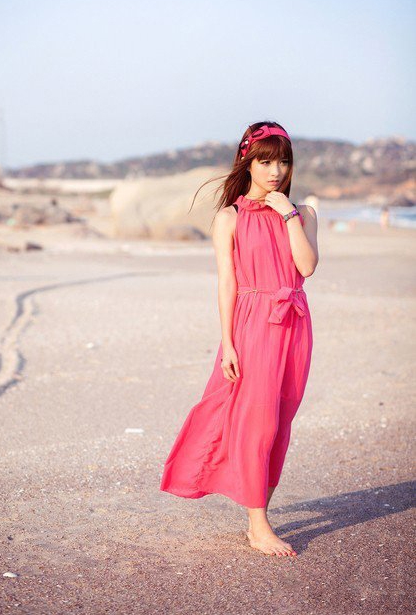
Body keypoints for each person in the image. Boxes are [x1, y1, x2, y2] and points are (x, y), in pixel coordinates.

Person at [160, 121, 319, 557]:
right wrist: (228, 343)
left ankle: (259, 511)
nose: (275, 171)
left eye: (283, 161)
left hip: (295, 322)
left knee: (280, 422)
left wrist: (287, 213)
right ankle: (257, 525)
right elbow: (227, 283)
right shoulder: (229, 217)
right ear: (247, 163)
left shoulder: (304, 214)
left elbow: (306, 267)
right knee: (257, 422)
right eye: (265, 162)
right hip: (253, 325)